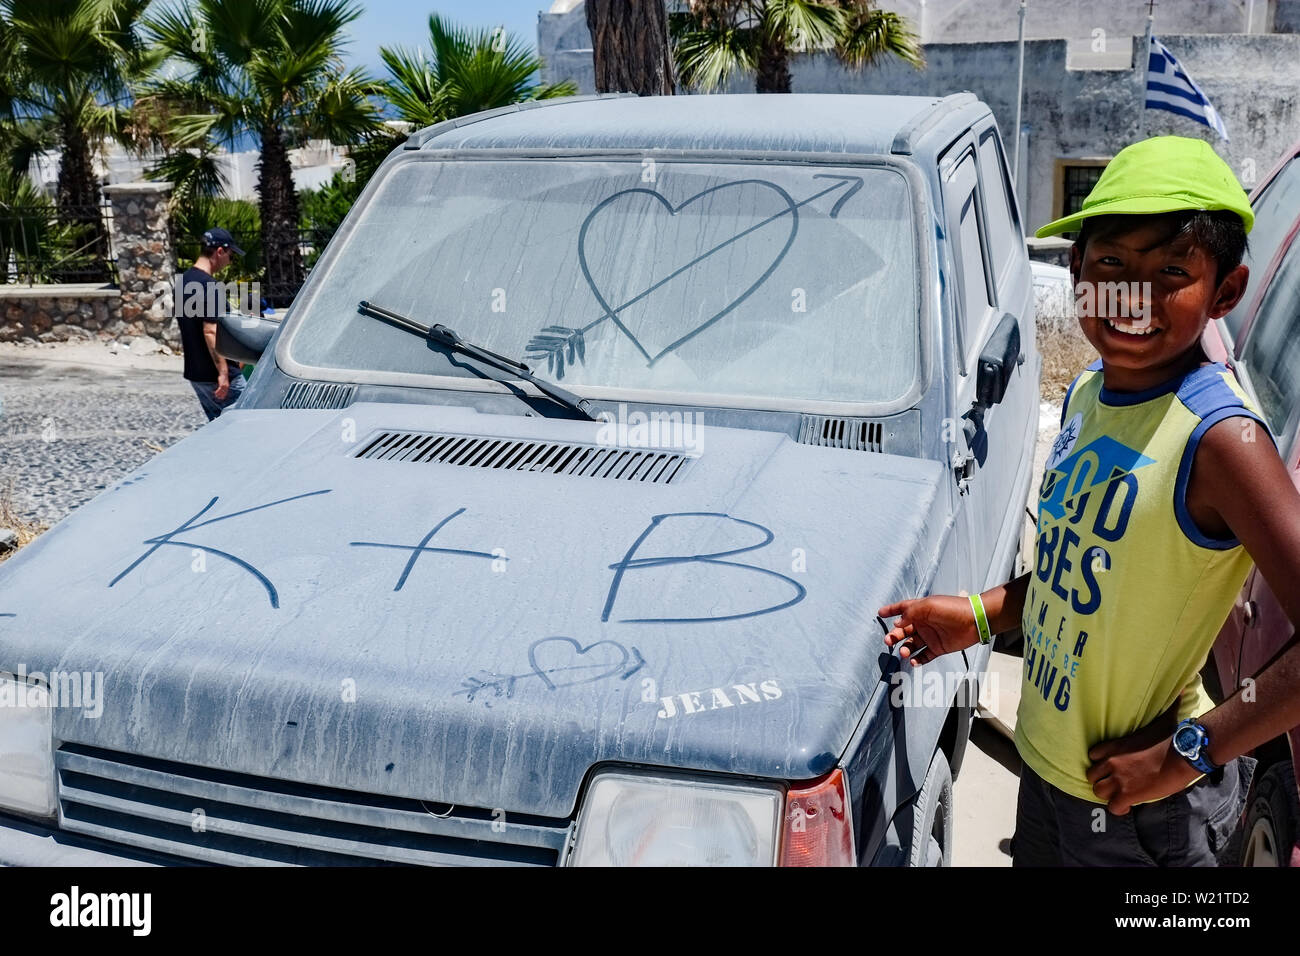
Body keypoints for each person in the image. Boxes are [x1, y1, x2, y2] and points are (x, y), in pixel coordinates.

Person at [878, 136, 1300, 866]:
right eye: (1111, 265)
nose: (1133, 296)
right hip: (1050, 777)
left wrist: (1185, 753)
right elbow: (1088, 582)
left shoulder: (1220, 440)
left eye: (1171, 270)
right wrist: (976, 616)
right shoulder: (1088, 391)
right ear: (1076, 272)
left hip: (1146, 816)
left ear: (1224, 292)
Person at [176, 227, 247, 421]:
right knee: (246, 426)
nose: (229, 262)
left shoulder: (183, 282)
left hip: (196, 374)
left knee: (218, 427)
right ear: (220, 251)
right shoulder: (209, 286)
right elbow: (210, 331)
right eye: (231, 256)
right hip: (219, 377)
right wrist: (223, 373)